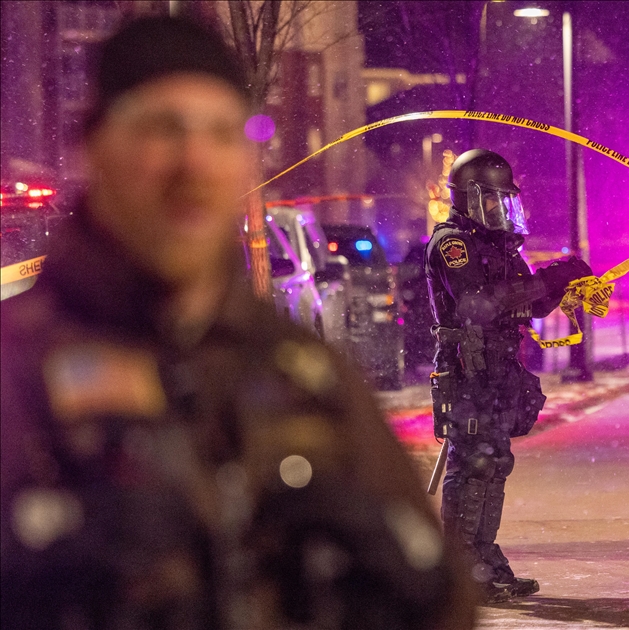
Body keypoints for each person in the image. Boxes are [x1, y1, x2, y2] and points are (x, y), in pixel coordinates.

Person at [0, 16, 476, 630]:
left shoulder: (303, 375)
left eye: (223, 132)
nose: (194, 163)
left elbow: (443, 605)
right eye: (162, 128)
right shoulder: (17, 368)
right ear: (92, 148)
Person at [426, 149, 592, 603]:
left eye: (504, 200)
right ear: (468, 197)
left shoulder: (497, 244)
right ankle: (461, 573)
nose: (498, 209)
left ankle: (484, 559)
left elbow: (529, 302)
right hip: (467, 371)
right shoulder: (453, 244)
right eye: (490, 199)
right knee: (472, 467)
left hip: (499, 370)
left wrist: (564, 278)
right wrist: (548, 279)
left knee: (495, 464)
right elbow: (478, 303)